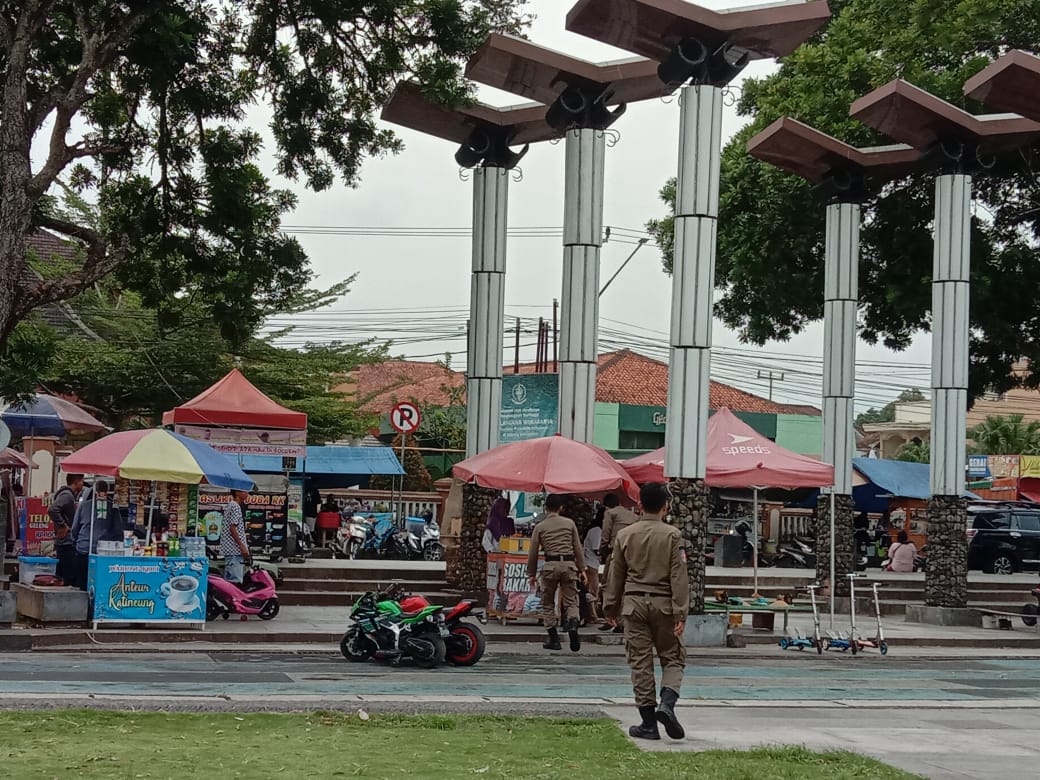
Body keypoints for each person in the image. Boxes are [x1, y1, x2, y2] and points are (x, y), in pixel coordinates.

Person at [603, 482, 689, 741]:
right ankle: (667, 704)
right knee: (673, 657)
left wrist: (610, 607)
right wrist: (680, 612)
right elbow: (678, 575)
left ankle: (648, 724)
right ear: (666, 506)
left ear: (639, 505)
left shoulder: (625, 535)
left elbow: (615, 574)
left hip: (633, 605)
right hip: (664, 605)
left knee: (640, 663)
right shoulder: (673, 535)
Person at [527, 493, 586, 652]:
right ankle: (573, 625)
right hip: (569, 565)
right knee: (571, 601)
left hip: (550, 566)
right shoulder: (569, 523)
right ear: (561, 508)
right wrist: (582, 569)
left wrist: (531, 574)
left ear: (545, 508)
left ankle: (553, 638)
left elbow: (532, 552)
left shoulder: (540, 527)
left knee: (547, 603)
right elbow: (577, 548)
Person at [70, 481, 127, 590]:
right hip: (103, 552)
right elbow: (118, 531)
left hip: (83, 548)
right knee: (102, 583)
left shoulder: (84, 506)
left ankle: (82, 605)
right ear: (108, 492)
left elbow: (74, 528)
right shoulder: (113, 508)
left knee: (82, 583)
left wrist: (75, 541)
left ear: (94, 491)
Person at [598, 493, 638, 632]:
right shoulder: (633, 516)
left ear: (606, 505)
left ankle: (609, 618)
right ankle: (621, 621)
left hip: (615, 554)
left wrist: (602, 552)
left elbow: (605, 536)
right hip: (632, 556)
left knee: (607, 585)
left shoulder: (610, 513)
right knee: (625, 588)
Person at [48, 473, 84, 584]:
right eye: (82, 481)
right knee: (68, 573)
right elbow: (53, 509)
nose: (83, 484)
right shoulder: (67, 495)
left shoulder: (69, 495)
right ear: (76, 481)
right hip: (66, 541)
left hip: (64, 541)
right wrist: (63, 526)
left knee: (62, 573)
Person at [221, 489, 252, 584]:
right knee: (236, 582)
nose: (247, 494)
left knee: (229, 582)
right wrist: (242, 546)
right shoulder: (235, 507)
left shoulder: (230, 505)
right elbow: (232, 528)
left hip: (230, 550)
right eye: (245, 491)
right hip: (234, 550)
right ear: (237, 493)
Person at [582, 507, 605, 624]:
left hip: (592, 563)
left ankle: (592, 615)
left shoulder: (595, 529)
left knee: (593, 590)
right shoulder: (597, 530)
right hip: (591, 564)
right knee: (593, 590)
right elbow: (597, 549)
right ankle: (592, 616)